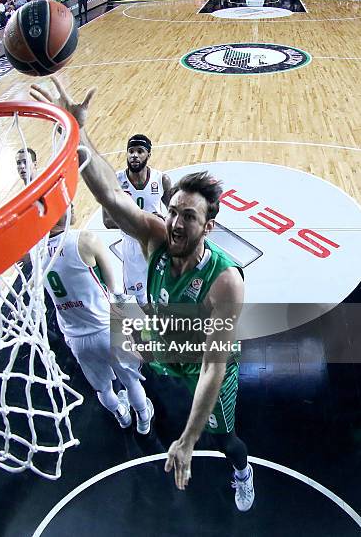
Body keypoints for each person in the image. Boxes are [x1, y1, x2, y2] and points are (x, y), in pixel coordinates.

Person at [29, 76, 254, 511]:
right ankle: (137, 398)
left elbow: (212, 366)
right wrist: (78, 136)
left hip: (206, 364)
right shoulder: (156, 236)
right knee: (125, 340)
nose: (175, 222)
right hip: (165, 340)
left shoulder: (226, 282)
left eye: (188, 216)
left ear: (208, 227)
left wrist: (186, 441)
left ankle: (242, 472)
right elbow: (113, 196)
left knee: (224, 438)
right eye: (173, 212)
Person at [42, 209, 153, 433]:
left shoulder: (35, 255)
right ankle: (143, 419)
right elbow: (116, 291)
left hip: (76, 337)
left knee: (103, 389)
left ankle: (121, 416)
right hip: (106, 328)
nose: (72, 206)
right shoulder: (85, 240)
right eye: (67, 205)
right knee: (131, 381)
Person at [103, 134, 171, 305]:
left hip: (158, 243)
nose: (134, 155)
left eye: (140, 151)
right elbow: (107, 221)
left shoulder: (161, 179)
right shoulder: (115, 181)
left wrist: (165, 222)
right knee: (140, 295)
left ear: (149, 154)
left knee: (163, 289)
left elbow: (174, 212)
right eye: (131, 151)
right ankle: (151, 325)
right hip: (132, 245)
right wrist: (143, 220)